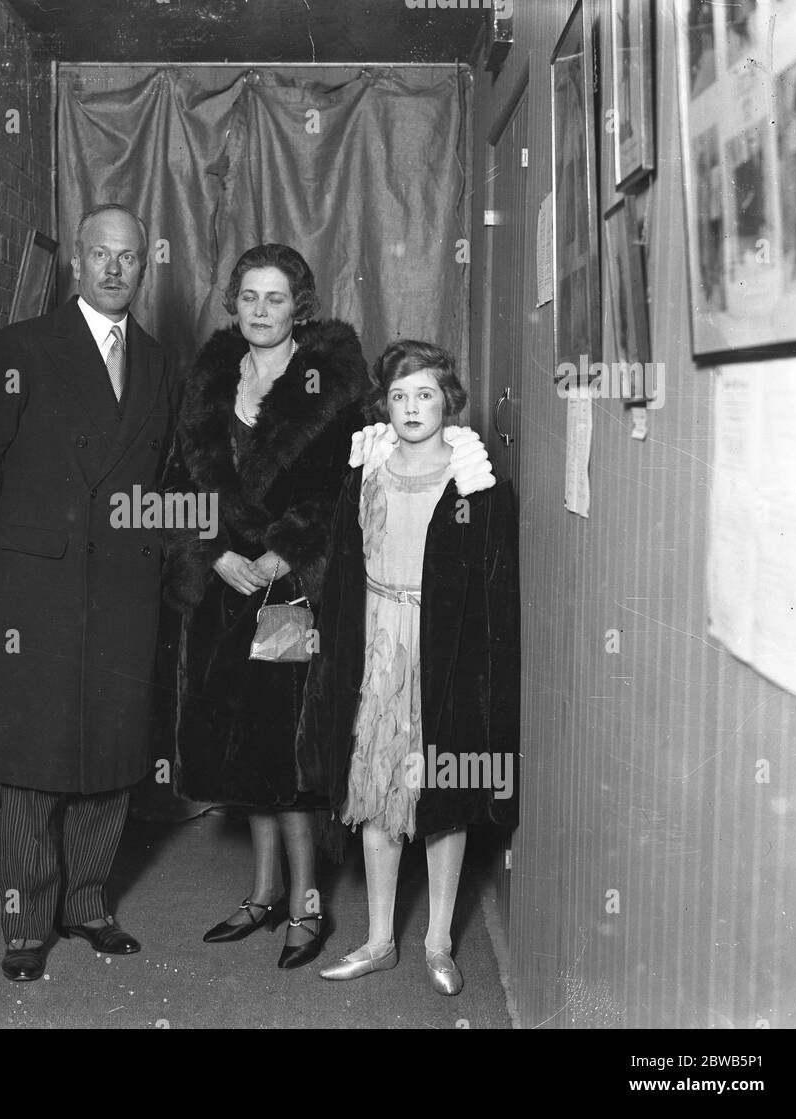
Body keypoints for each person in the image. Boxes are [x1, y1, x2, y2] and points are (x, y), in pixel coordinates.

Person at [0, 203, 180, 981]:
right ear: (77, 260)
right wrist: (7, 557)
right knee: (34, 763)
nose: (114, 268)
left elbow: (167, 478)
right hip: (34, 597)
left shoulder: (162, 363)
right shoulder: (20, 350)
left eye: (130, 257)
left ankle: (88, 904)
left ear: (147, 266)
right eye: (101, 254)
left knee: (111, 754)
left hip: (123, 594)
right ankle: (25, 923)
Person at [161, 244, 368, 970]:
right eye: (248, 296)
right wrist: (214, 552)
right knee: (239, 742)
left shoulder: (332, 382)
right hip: (223, 591)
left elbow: (349, 487)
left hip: (288, 591)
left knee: (287, 746)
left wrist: (286, 551)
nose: (259, 310)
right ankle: (262, 892)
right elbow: (174, 481)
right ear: (234, 304)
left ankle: (308, 903)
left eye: (274, 298)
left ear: (299, 305)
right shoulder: (210, 378)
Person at [297, 340, 519, 995]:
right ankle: (378, 939)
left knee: (440, 797)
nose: (411, 406)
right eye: (398, 395)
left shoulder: (473, 478)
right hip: (376, 644)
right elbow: (341, 564)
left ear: (447, 398)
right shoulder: (367, 468)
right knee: (375, 793)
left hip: (443, 653)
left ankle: (440, 941)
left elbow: (492, 591)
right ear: (383, 403)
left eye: (424, 393)